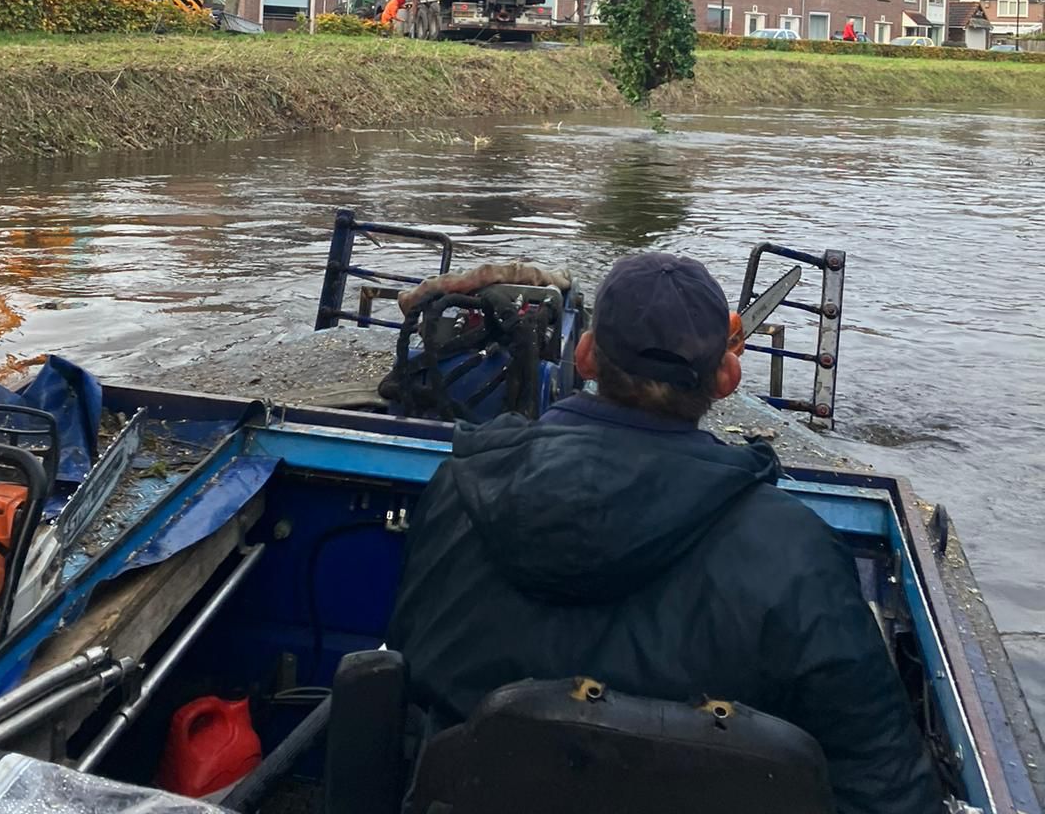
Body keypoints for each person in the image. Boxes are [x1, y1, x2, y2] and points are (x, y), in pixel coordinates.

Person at [388, 252, 942, 814]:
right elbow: (886, 788)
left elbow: (410, 682)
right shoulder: (801, 553)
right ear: (726, 379)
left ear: (585, 356)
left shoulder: (458, 493)